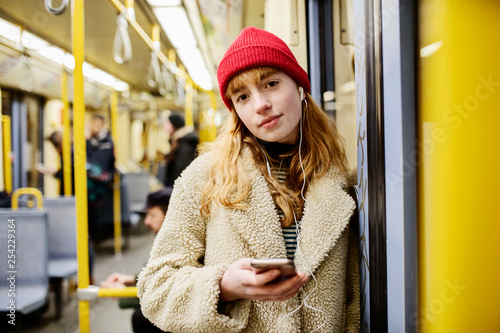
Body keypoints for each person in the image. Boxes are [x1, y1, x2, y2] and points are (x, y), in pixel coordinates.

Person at [137, 26, 359, 332]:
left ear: (299, 86)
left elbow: (354, 298)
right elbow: (155, 288)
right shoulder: (205, 177)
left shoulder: (339, 179)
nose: (259, 105)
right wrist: (224, 285)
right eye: (242, 96)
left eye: (270, 83)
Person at [100, 188, 172, 333]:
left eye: (152, 215)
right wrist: (133, 279)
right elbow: (158, 273)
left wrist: (122, 294)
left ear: (169, 216)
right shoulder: (168, 240)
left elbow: (166, 291)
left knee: (141, 317)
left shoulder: (179, 244)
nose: (146, 221)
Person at [86, 114, 116, 241]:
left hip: (102, 184)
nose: (96, 128)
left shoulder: (108, 142)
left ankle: (98, 237)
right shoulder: (85, 141)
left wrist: (108, 176)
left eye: (99, 124)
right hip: (88, 184)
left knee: (99, 213)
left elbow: (112, 162)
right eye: (94, 124)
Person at [163, 113, 199, 186]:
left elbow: (181, 172)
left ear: (174, 125)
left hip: (178, 189)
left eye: (167, 124)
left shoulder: (185, 146)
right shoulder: (177, 142)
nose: (164, 126)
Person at [37, 130, 75, 195]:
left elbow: (68, 174)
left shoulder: (68, 155)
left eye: (53, 146)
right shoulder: (70, 153)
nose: (53, 149)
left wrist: (54, 172)